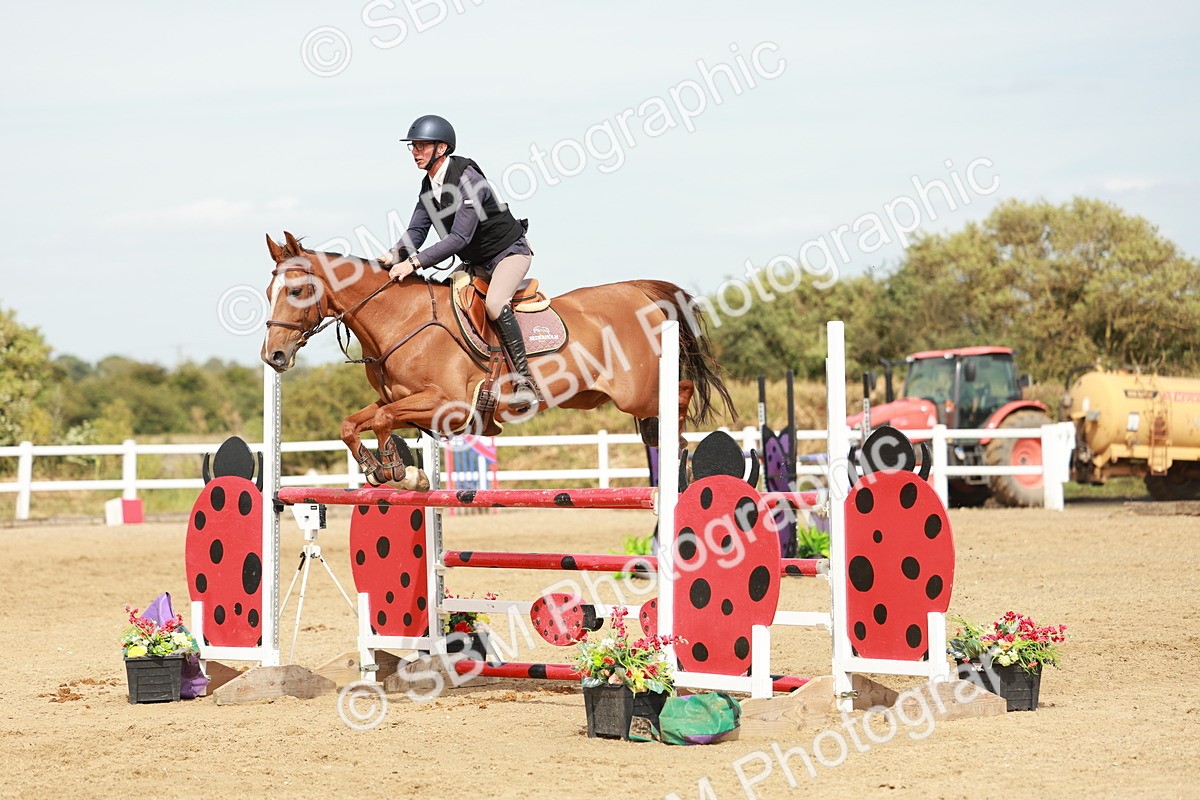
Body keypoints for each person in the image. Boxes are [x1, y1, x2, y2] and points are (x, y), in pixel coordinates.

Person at [379, 114, 540, 411]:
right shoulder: (429, 186)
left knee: (494, 304)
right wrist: (393, 255)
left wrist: (413, 263)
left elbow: (459, 238)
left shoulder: (468, 178)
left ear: (441, 148)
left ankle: (524, 381)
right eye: (412, 147)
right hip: (476, 263)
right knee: (443, 304)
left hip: (508, 253)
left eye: (421, 146)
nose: (415, 152)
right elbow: (417, 230)